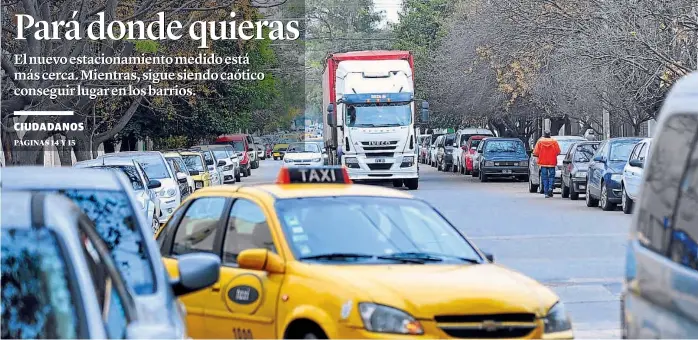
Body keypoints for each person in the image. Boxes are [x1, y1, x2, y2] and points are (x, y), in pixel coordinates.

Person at [533, 130, 561, 198]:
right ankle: (550, 188)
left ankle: (546, 193)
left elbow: (536, 152)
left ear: (544, 134)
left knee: (544, 178)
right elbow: (558, 152)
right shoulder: (554, 142)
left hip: (543, 162)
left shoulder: (540, 141)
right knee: (551, 176)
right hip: (552, 162)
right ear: (550, 134)